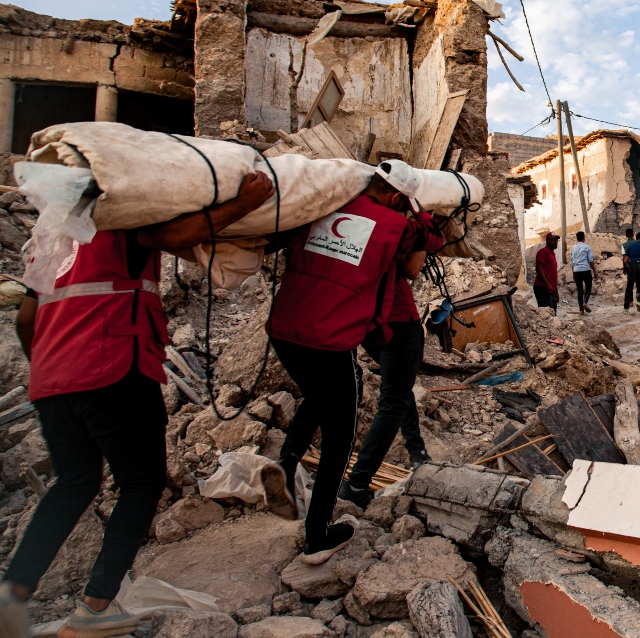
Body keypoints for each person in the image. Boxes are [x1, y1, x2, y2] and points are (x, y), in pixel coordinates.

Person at [0, 173, 276, 638]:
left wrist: (50, 367)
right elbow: (178, 235)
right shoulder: (119, 222)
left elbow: (27, 319)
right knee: (141, 484)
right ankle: (95, 607)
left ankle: (12, 594)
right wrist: (245, 201)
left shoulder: (49, 238)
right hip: (113, 370)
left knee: (74, 482)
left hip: (51, 382)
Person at [259, 160, 430, 567]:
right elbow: (422, 248)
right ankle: (319, 534)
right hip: (330, 337)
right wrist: (424, 218)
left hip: (285, 329)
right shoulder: (392, 226)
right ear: (393, 197)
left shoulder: (321, 207)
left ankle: (286, 464)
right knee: (341, 432)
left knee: (319, 396)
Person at [338, 209, 448, 509]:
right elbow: (411, 270)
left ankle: (416, 450)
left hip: (368, 325)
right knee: (393, 400)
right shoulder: (392, 232)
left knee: (398, 389)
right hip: (399, 322)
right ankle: (357, 483)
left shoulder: (354, 235)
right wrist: (426, 232)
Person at [623, 231, 640, 312]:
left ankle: (625, 308)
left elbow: (625, 260)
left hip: (632, 266)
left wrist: (631, 262)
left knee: (629, 287)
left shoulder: (630, 246)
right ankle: (639, 301)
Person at [569, 231, 596, 315]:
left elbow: (572, 263)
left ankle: (581, 310)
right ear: (584, 238)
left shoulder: (573, 249)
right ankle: (585, 302)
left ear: (577, 238)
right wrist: (594, 271)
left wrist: (573, 274)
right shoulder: (587, 247)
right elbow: (590, 260)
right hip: (585, 270)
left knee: (580, 291)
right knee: (588, 287)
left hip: (576, 271)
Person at [532, 232, 559, 313]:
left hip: (551, 289)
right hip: (542, 288)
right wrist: (548, 284)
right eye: (553, 240)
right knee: (547, 314)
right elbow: (538, 268)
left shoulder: (552, 254)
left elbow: (552, 274)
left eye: (556, 240)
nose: (555, 242)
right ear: (547, 240)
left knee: (553, 314)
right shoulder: (543, 251)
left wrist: (556, 291)